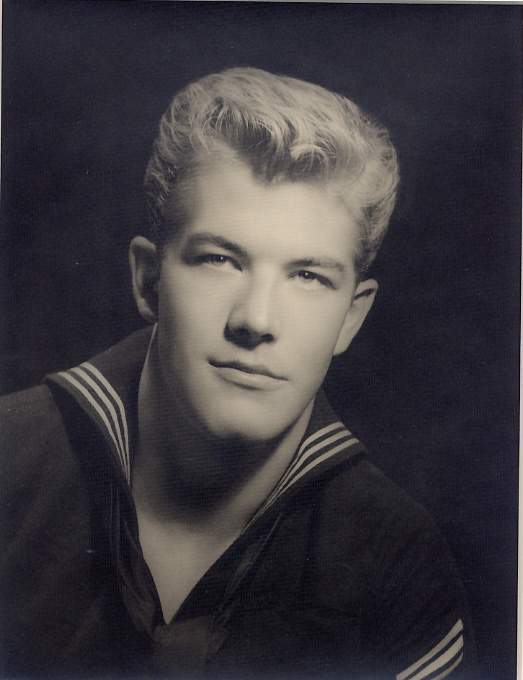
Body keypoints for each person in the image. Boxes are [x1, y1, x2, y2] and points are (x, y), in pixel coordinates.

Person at [1, 68, 475, 678]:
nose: (255, 320)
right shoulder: (10, 458)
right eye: (220, 260)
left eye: (308, 276)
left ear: (352, 318)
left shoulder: (401, 567)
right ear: (149, 280)